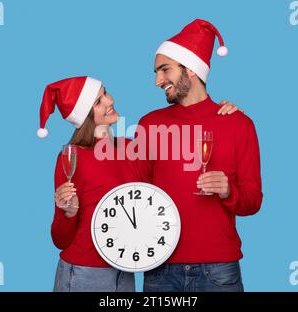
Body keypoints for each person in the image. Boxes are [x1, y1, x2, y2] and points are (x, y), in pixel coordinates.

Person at [36, 76, 241, 292]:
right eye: (98, 102)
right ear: (84, 116)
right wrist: (68, 213)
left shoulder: (133, 148)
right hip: (83, 274)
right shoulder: (71, 157)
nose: (109, 101)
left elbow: (176, 158)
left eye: (105, 92)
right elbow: (60, 239)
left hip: (125, 272)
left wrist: (218, 115)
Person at [133, 19, 263, 292]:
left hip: (218, 269)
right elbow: (136, 192)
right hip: (160, 266)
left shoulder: (239, 124)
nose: (157, 81)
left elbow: (252, 203)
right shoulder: (149, 124)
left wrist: (229, 192)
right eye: (156, 72)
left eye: (164, 70)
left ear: (190, 69)